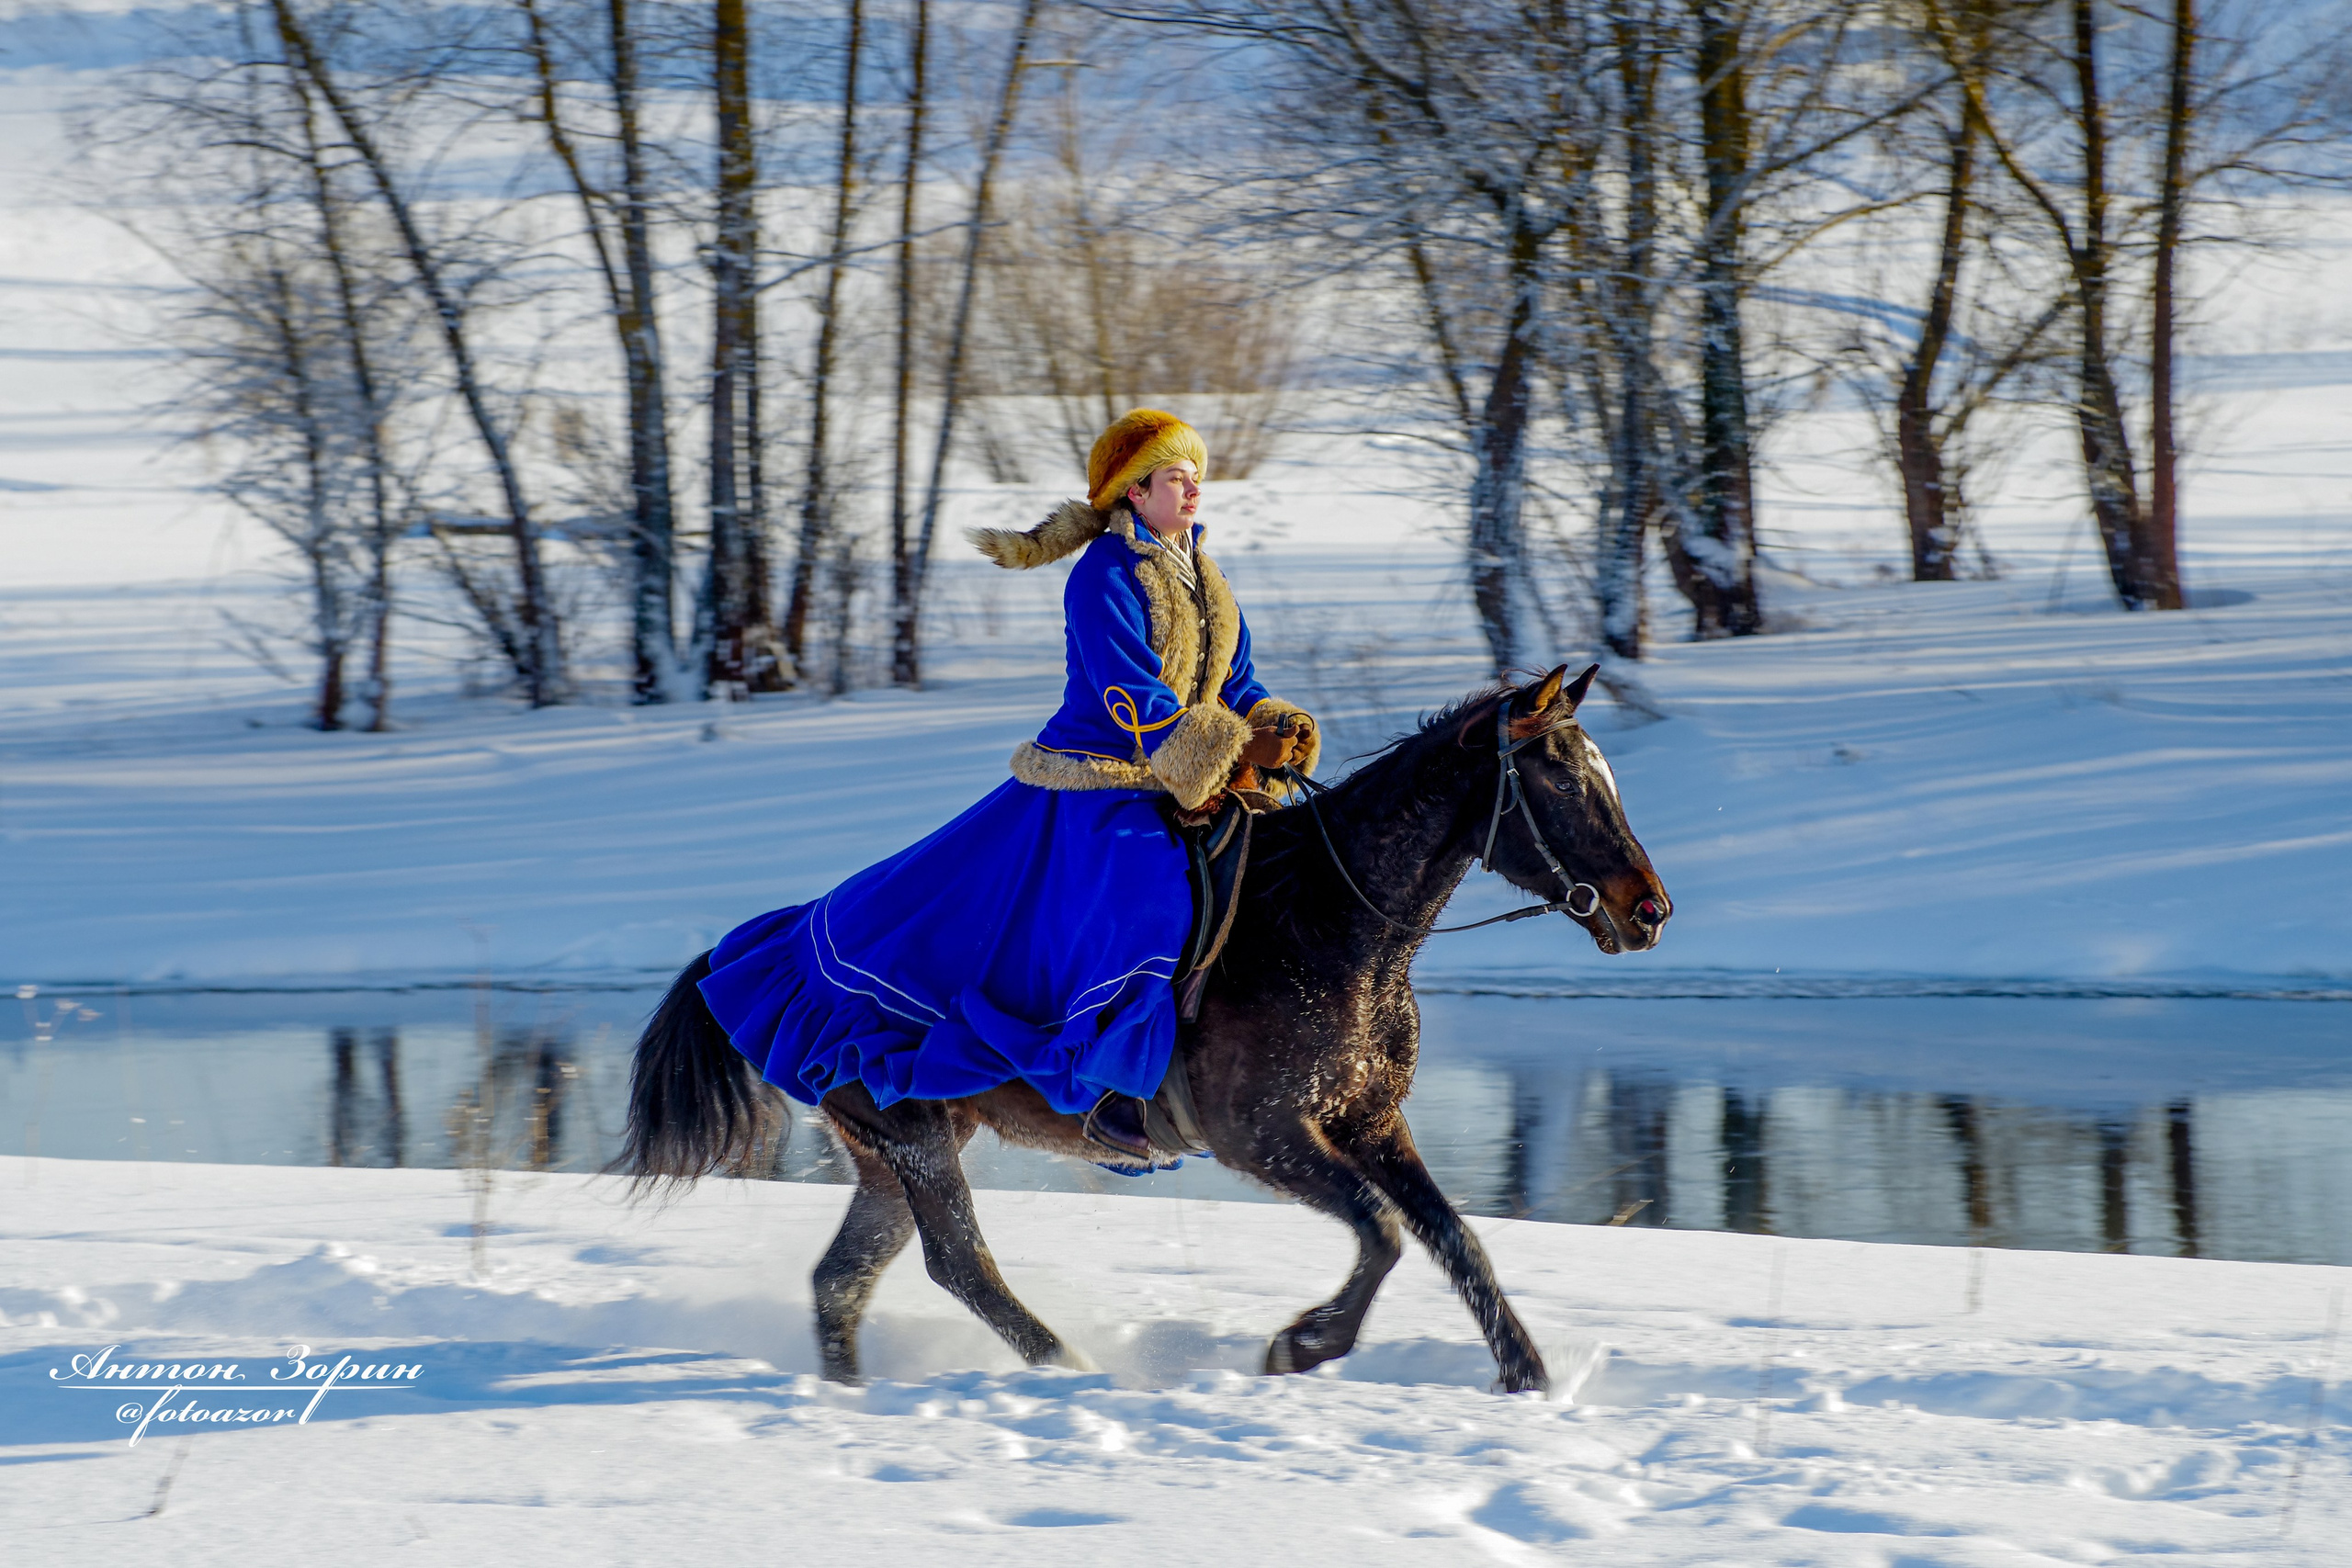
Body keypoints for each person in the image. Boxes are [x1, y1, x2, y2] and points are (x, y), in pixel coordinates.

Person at [697, 409, 1320, 1159]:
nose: (1193, 491)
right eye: (1175, 478)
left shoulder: (1207, 576)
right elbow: (1127, 690)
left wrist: (1272, 724)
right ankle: (1114, 1086)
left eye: (1196, 479)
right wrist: (1212, 747)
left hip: (1191, 772)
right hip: (1103, 774)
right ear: (1133, 491)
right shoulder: (1104, 574)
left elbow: (1237, 680)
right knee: (1146, 891)